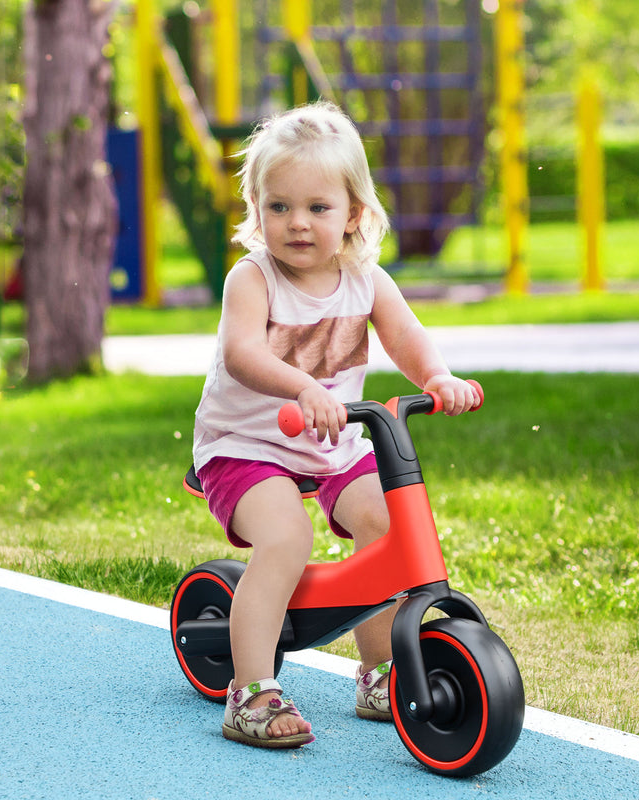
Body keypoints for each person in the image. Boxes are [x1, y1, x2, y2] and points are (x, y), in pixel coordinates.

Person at [193, 101, 481, 749]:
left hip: (331, 443)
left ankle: (381, 674)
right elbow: (242, 353)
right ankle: (250, 690)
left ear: (353, 213)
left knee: (386, 524)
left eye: (318, 209)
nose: (297, 224)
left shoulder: (364, 278)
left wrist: (435, 378)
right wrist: (300, 386)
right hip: (247, 447)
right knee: (288, 540)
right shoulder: (253, 278)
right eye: (279, 207)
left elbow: (406, 335)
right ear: (256, 206)